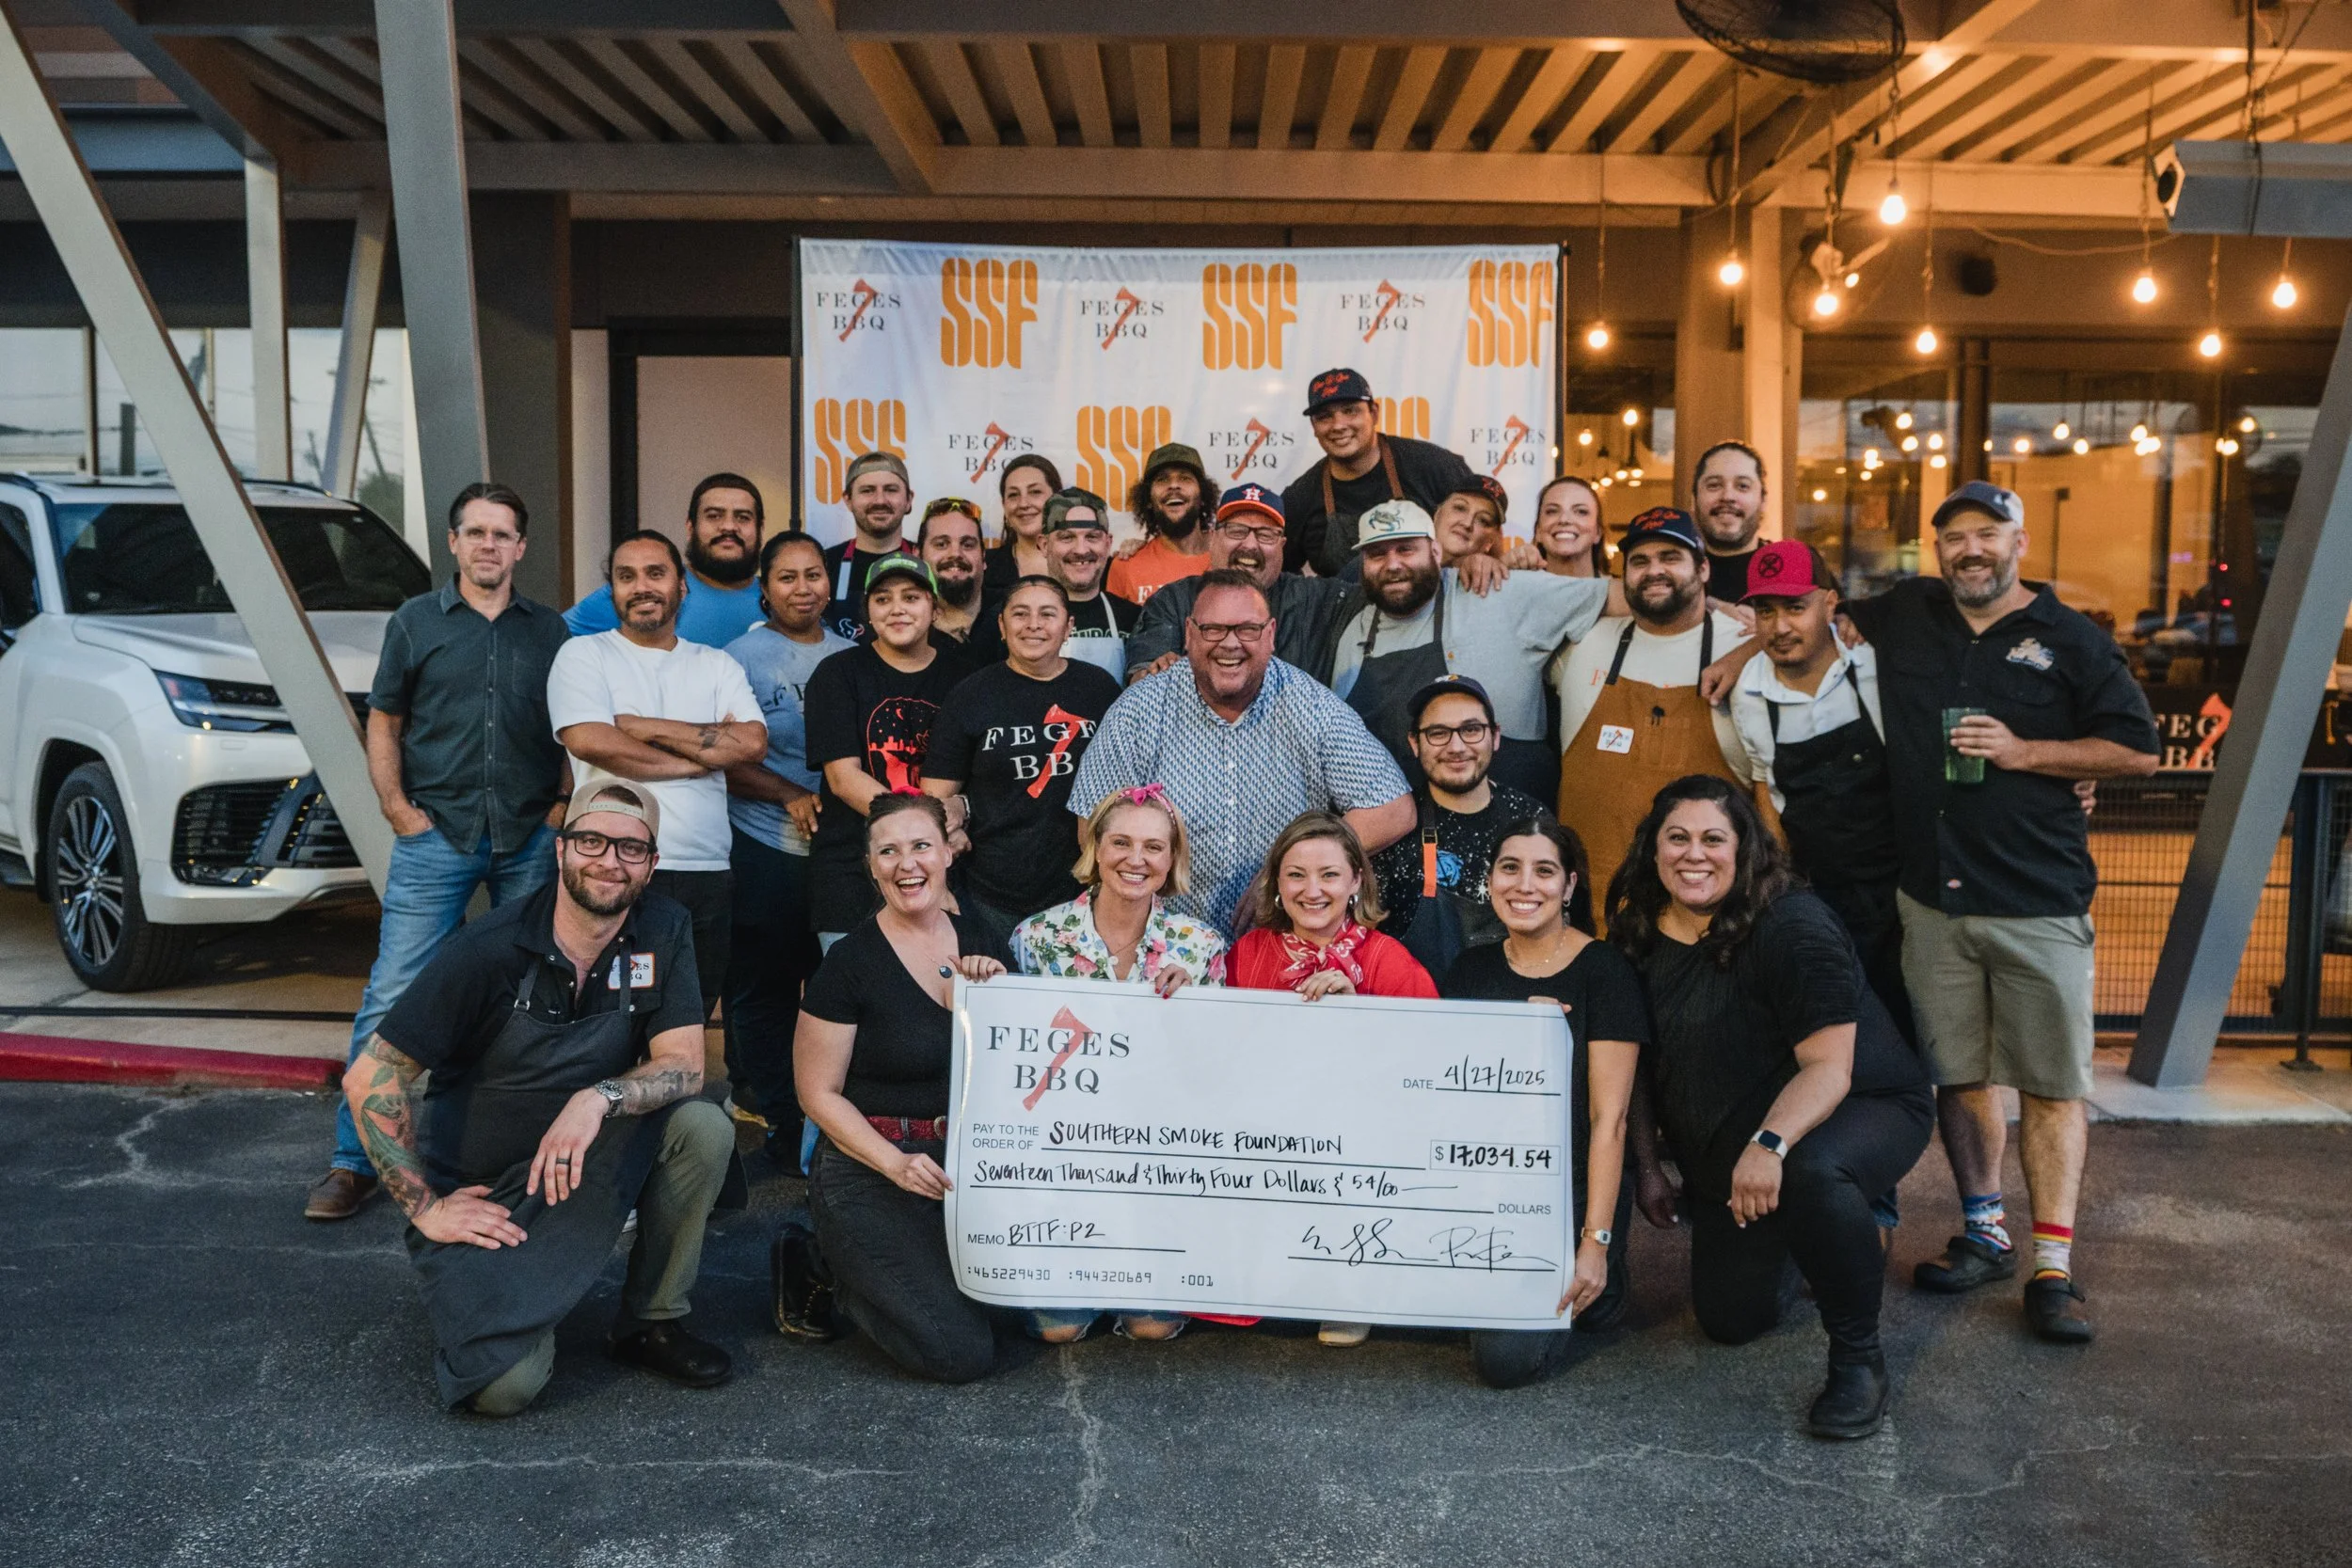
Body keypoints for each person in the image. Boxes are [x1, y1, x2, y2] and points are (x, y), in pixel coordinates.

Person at [1839, 481, 2159, 1343]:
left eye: (1987, 533)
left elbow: (2135, 748)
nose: (1969, 549)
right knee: (1961, 1072)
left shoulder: (2071, 639)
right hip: (1931, 901)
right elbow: (1811, 611)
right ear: (1936, 550)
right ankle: (1985, 1231)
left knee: (2053, 1084)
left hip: (2037, 900)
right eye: (1954, 537)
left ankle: (2052, 1264)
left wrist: (2032, 753)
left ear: (2018, 542)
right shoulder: (1908, 612)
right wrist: (1732, 653)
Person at [342, 781, 735, 1415]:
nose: (611, 860)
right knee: (504, 1390)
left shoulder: (664, 927)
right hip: (486, 1193)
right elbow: (371, 1078)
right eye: (592, 841)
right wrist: (427, 1207)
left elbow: (685, 1065)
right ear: (561, 851)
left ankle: (650, 1322)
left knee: (702, 1126)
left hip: (583, 1163)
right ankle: (490, 1292)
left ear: (653, 864)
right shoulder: (489, 949)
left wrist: (596, 1097)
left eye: (632, 848)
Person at [1610, 775, 1933, 1439]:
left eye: (1712, 838)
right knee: (1730, 1320)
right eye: (1677, 837)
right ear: (1653, 846)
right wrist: (1647, 1165)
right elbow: (1633, 1063)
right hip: (1740, 1140)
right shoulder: (1638, 928)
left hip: (1860, 1104)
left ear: (1745, 847)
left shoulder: (1792, 922)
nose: (1693, 854)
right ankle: (1810, 1232)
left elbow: (1829, 1068)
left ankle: (1858, 1358)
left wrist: (1769, 1145)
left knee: (1817, 1173)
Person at [308, 482, 574, 1222]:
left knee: (527, 998)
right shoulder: (416, 622)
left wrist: (560, 805)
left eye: (503, 533)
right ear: (454, 542)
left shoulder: (549, 631)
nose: (489, 544)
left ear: (521, 547)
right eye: (475, 531)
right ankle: (353, 1161)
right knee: (394, 995)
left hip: (527, 836)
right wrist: (397, 809)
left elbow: (571, 729)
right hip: (438, 837)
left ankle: (510, 1148)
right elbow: (384, 719)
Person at [770, 794, 1011, 1382]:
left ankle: (868, 1269)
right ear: (873, 866)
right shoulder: (849, 964)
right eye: (889, 851)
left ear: (949, 852)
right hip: (872, 1164)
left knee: (1015, 1314)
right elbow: (817, 1094)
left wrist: (995, 1002)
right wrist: (895, 1164)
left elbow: (1018, 1061)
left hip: (963, 1162)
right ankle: (827, 1270)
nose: (908, 863)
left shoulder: (983, 934)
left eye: (921, 845)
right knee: (960, 1352)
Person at [1005, 784, 1225, 1344]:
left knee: (1151, 1328)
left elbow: (1217, 1068)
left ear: (1172, 859)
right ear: (1096, 849)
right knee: (1060, 1333)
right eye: (1121, 842)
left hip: (1158, 1159)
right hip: (1063, 1158)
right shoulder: (1037, 939)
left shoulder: (1199, 946)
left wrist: (1195, 1007)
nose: (1137, 859)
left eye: (1154, 847)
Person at [1074, 569, 1413, 931]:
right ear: (1189, 634)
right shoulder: (1139, 710)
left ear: (1270, 635)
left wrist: (1284, 867)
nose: (1230, 643)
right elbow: (1091, 828)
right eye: (1213, 629)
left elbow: (1394, 810)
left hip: (1280, 940)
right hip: (1165, 942)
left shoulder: (1311, 705)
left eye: (1247, 630)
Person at [1440, 818, 1643, 1388]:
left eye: (1544, 871)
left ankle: (1605, 1274)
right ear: (1490, 881)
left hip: (1571, 1186)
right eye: (1510, 868)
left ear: (1570, 886)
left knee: (1502, 1364)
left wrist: (1594, 1244)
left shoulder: (1605, 972)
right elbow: (1444, 1094)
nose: (1525, 884)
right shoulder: (1469, 970)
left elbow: (1612, 1120)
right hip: (1490, 1181)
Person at [1227, 812, 1435, 1348]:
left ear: (1355, 882)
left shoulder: (1388, 958)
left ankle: (1349, 1287)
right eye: (1295, 875)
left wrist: (1359, 1014)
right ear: (1276, 883)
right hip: (1268, 1132)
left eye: (1329, 875)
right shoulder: (1248, 953)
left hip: (1359, 1141)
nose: (1312, 890)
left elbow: (1427, 1066)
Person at [547, 531, 768, 1031]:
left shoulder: (716, 664)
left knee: (689, 1016)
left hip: (706, 872)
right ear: (612, 591)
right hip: (611, 865)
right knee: (605, 1020)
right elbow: (591, 742)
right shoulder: (584, 656)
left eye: (656, 573)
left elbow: (752, 744)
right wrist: (702, 758)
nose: (642, 586)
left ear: (682, 586)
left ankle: (670, 1110)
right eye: (626, 576)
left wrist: (643, 727)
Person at [1724, 541, 1910, 1040]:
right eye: (1765, 611)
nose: (1779, 627)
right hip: (1818, 895)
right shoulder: (1750, 694)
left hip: (1900, 897)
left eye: (1794, 607)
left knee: (1909, 1041)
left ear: (1831, 604)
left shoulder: (1874, 666)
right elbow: (1767, 793)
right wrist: (1781, 897)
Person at [1314, 498, 1610, 799]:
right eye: (1377, 554)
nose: (1393, 564)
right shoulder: (1355, 633)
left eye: (1406, 549)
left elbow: (1617, 598)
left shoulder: (1494, 591)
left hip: (1512, 829)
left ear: (1435, 552)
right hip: (1399, 833)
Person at [1550, 506, 1754, 924]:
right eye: (1639, 561)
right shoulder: (1586, 641)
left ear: (1703, 569)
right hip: (1593, 909)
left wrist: (1759, 645)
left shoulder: (1744, 645)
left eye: (1670, 558)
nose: (1653, 571)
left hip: (1707, 912)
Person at [721, 531, 851, 1167]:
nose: (803, 588)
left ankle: (829, 1122)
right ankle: (780, 1115)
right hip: (763, 845)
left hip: (841, 854)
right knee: (765, 991)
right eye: (787, 577)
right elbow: (718, 758)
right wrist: (785, 795)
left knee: (833, 990)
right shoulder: (737, 658)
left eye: (814, 575)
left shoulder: (854, 654)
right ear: (764, 587)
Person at [1125, 484, 1514, 684]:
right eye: (1237, 530)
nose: (1249, 544)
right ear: (1212, 539)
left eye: (1265, 534)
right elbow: (1147, 668)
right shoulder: (1174, 600)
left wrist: (1472, 558)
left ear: (1282, 546)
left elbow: (1396, 575)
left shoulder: (1323, 597)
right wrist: (1153, 670)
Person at [924, 577, 1121, 936]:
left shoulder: (1100, 689)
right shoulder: (970, 695)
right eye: (1020, 614)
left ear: (1068, 627)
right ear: (1002, 625)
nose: (1033, 624)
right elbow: (934, 798)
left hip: (1082, 892)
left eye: (1047, 614)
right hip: (989, 895)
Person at [803, 556, 975, 943]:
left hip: (941, 873)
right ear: (868, 612)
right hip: (853, 873)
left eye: (911, 597)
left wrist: (960, 811)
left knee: (940, 999)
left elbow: (981, 772)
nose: (897, 609)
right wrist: (929, 830)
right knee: (855, 1000)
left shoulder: (966, 676)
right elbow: (844, 780)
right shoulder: (837, 674)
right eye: (883, 599)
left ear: (934, 608)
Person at [1370, 676, 1550, 977]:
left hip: (1511, 1005)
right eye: (1438, 733)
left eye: (1471, 730)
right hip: (1416, 1008)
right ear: (1415, 743)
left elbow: (1559, 925)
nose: (1456, 747)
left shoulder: (1530, 817)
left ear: (1495, 736)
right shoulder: (1396, 823)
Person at [1282, 367, 1478, 578]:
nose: (1338, 425)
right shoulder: (1300, 497)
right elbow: (1278, 572)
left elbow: (1485, 531)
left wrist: (1479, 561)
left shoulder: (1434, 466)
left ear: (1373, 413)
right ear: (1314, 426)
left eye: (1350, 411)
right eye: (1325, 416)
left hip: (1435, 606)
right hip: (1346, 610)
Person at [567, 472, 765, 646]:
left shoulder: (779, 599)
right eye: (714, 516)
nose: (729, 526)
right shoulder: (649, 589)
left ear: (760, 529)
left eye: (743, 517)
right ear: (690, 528)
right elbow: (550, 639)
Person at [983, 487, 1138, 677]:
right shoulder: (1010, 619)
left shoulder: (1135, 619)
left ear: (1108, 543)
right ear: (1044, 545)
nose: (1081, 550)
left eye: (1092, 537)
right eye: (1067, 537)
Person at [1107, 441, 1215, 604]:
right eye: (1162, 480)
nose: (1173, 485)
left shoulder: (1231, 554)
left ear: (1203, 496)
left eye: (1185, 478)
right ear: (1148, 499)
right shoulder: (1125, 566)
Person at [822, 451, 914, 641]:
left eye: (891, 490)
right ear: (848, 500)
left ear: (909, 500)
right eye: (867, 490)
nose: (880, 500)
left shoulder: (926, 560)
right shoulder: (823, 565)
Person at [1690, 441, 1770, 603]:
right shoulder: (1674, 571)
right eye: (1713, 485)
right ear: (1693, 500)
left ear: (1763, 501)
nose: (1727, 496)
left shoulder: (1794, 568)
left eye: (1742, 486)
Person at [981, 452, 1061, 600]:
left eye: (1035, 492)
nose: (1023, 504)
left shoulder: (1084, 561)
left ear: (1057, 499)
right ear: (1004, 505)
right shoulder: (984, 565)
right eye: (1013, 495)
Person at [915, 497, 990, 643]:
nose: (956, 553)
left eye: (968, 545)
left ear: (983, 557)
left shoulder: (1010, 612)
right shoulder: (903, 625)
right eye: (941, 544)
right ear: (918, 556)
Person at [1534, 475, 1610, 578]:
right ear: (1538, 531)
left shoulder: (1618, 592)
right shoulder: (1512, 588)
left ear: (1598, 532)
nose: (1564, 519)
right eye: (1552, 511)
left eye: (1581, 512)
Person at [1431, 476, 1511, 566]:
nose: (1467, 523)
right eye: (1460, 508)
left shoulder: (1505, 579)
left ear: (1490, 542)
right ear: (1437, 514)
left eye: (1483, 520)